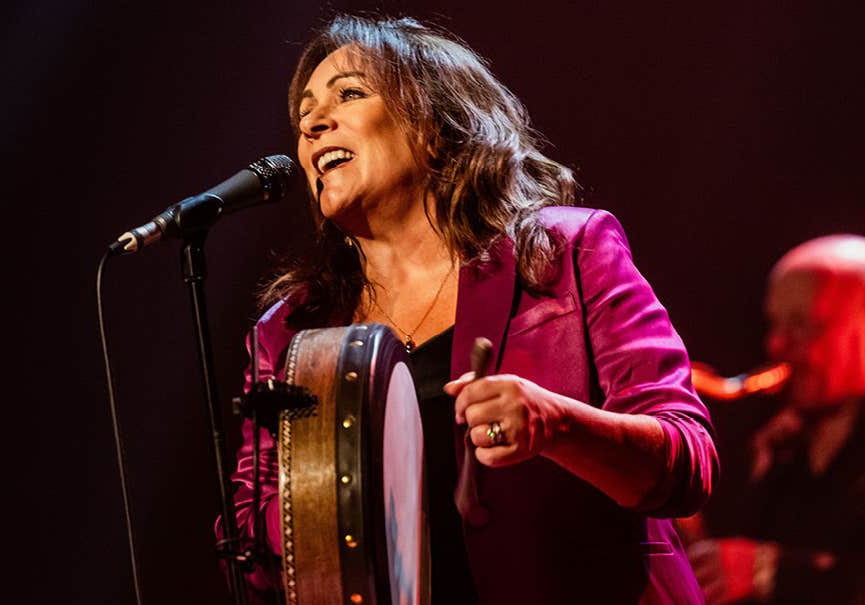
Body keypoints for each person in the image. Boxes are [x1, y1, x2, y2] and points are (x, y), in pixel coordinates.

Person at [219, 14, 718, 603]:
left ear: (435, 126)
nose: (313, 125)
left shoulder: (565, 253)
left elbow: (687, 464)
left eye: (349, 94)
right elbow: (247, 557)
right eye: (304, 118)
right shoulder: (292, 333)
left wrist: (557, 425)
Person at [686, 235, 865, 605]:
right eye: (775, 322)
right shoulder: (778, 439)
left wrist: (775, 573)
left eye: (802, 323)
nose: (776, 345)